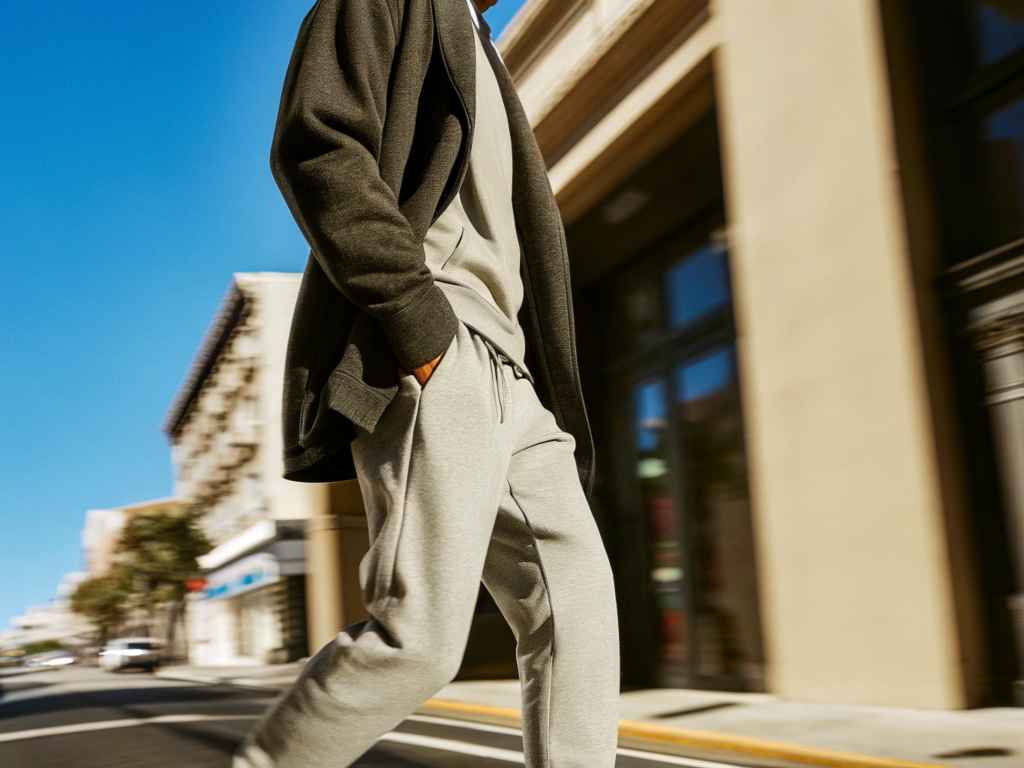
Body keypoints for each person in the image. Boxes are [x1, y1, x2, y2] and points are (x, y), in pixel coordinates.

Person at [233, 0, 621, 765]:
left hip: (513, 375)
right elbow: (318, 144)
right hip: (442, 348)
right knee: (419, 639)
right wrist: (417, 323)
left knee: (577, 610)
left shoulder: (479, 40)